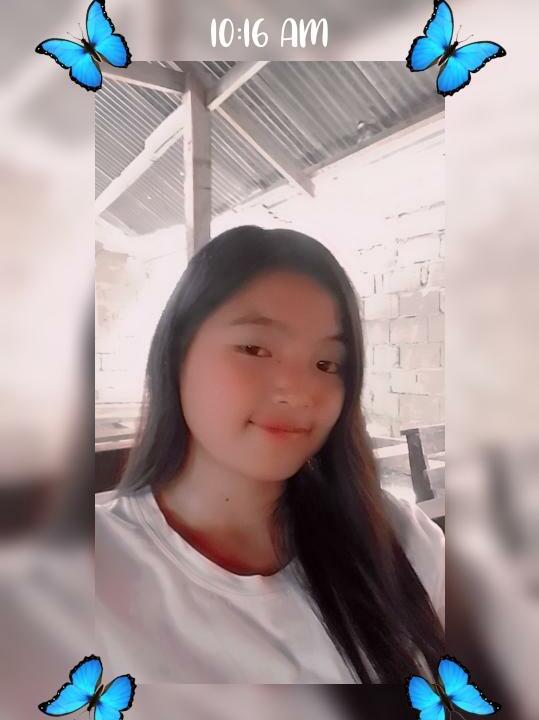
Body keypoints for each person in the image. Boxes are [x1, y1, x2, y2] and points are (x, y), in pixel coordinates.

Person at [95, 225, 445, 683]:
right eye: (255, 348)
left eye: (326, 363)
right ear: (176, 354)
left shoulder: (400, 538)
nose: (298, 391)